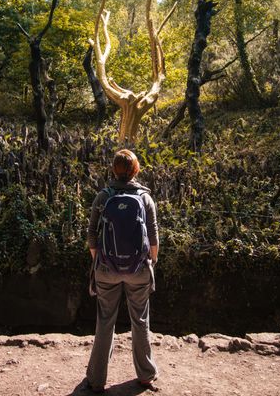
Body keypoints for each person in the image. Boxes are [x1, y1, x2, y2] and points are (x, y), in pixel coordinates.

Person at [86, 149, 159, 393]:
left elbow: (92, 236)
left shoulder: (103, 197)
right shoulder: (145, 198)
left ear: (113, 170)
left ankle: (97, 380)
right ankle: (146, 375)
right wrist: (151, 262)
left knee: (105, 321)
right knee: (140, 320)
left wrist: (101, 262)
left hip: (106, 269)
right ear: (136, 170)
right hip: (138, 269)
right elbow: (154, 236)